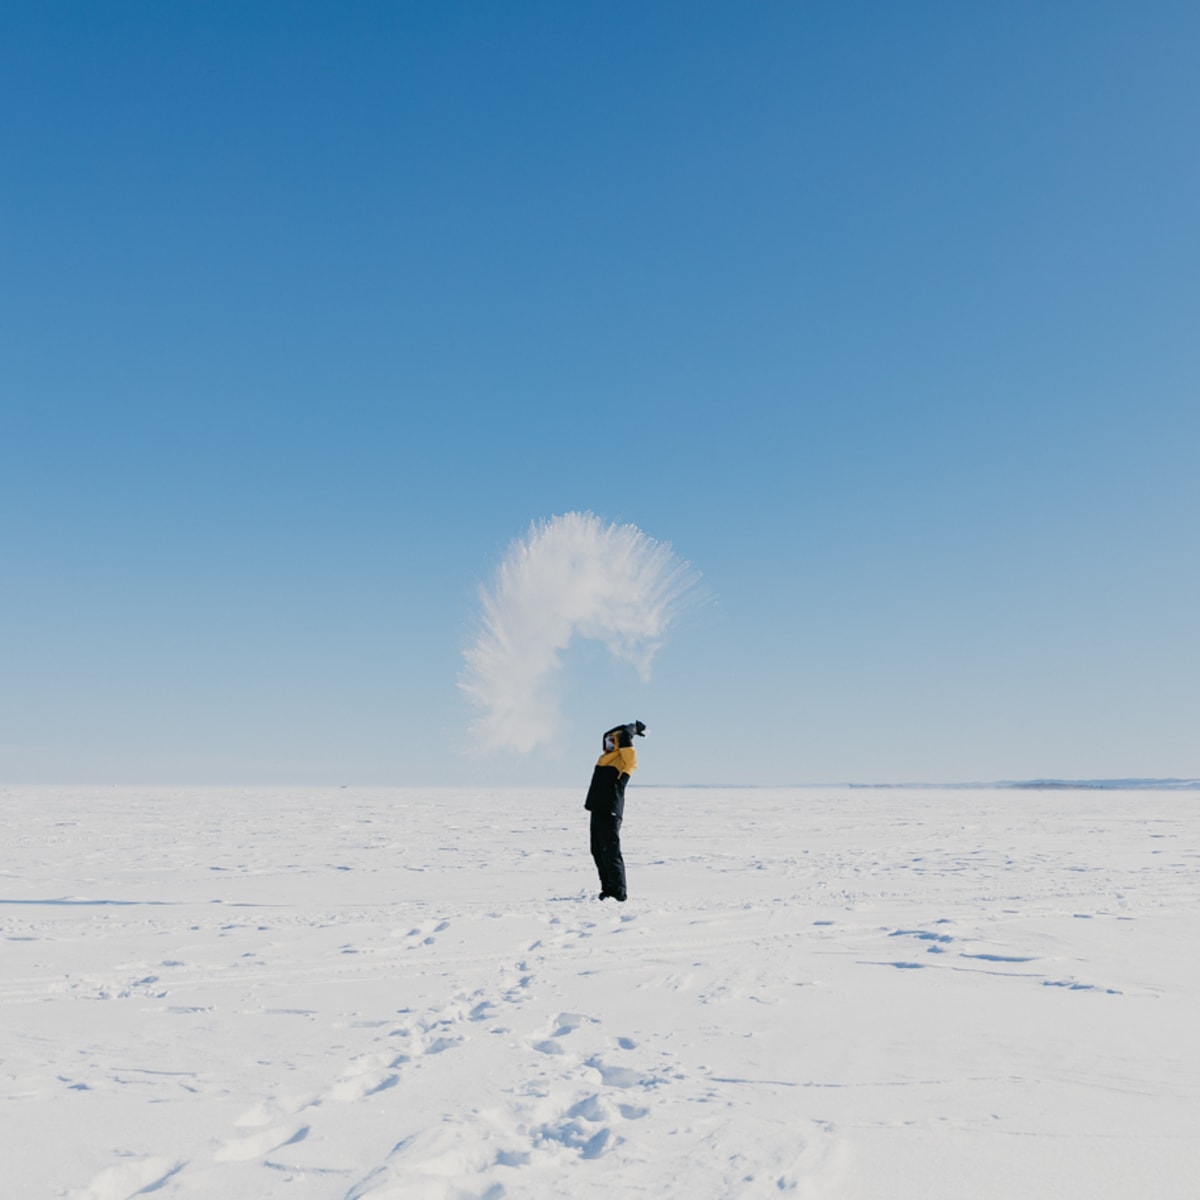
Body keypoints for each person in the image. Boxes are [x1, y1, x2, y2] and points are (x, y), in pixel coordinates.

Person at [584, 721, 646, 902]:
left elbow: (630, 754)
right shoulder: (604, 759)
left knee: (610, 851)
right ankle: (607, 889)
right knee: (597, 850)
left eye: (613, 741)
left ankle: (618, 892)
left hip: (610, 809)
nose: (609, 744)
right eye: (608, 741)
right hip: (597, 808)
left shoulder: (624, 762)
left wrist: (630, 730)